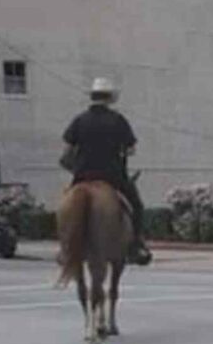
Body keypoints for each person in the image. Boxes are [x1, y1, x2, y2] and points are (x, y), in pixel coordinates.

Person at [60, 77, 152, 265]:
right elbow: (131, 149)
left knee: (65, 207)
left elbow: (66, 153)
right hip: (112, 177)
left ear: (92, 96)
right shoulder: (117, 120)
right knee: (137, 206)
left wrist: (75, 167)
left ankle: (65, 248)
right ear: (110, 98)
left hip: (82, 176)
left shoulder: (79, 120)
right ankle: (136, 245)